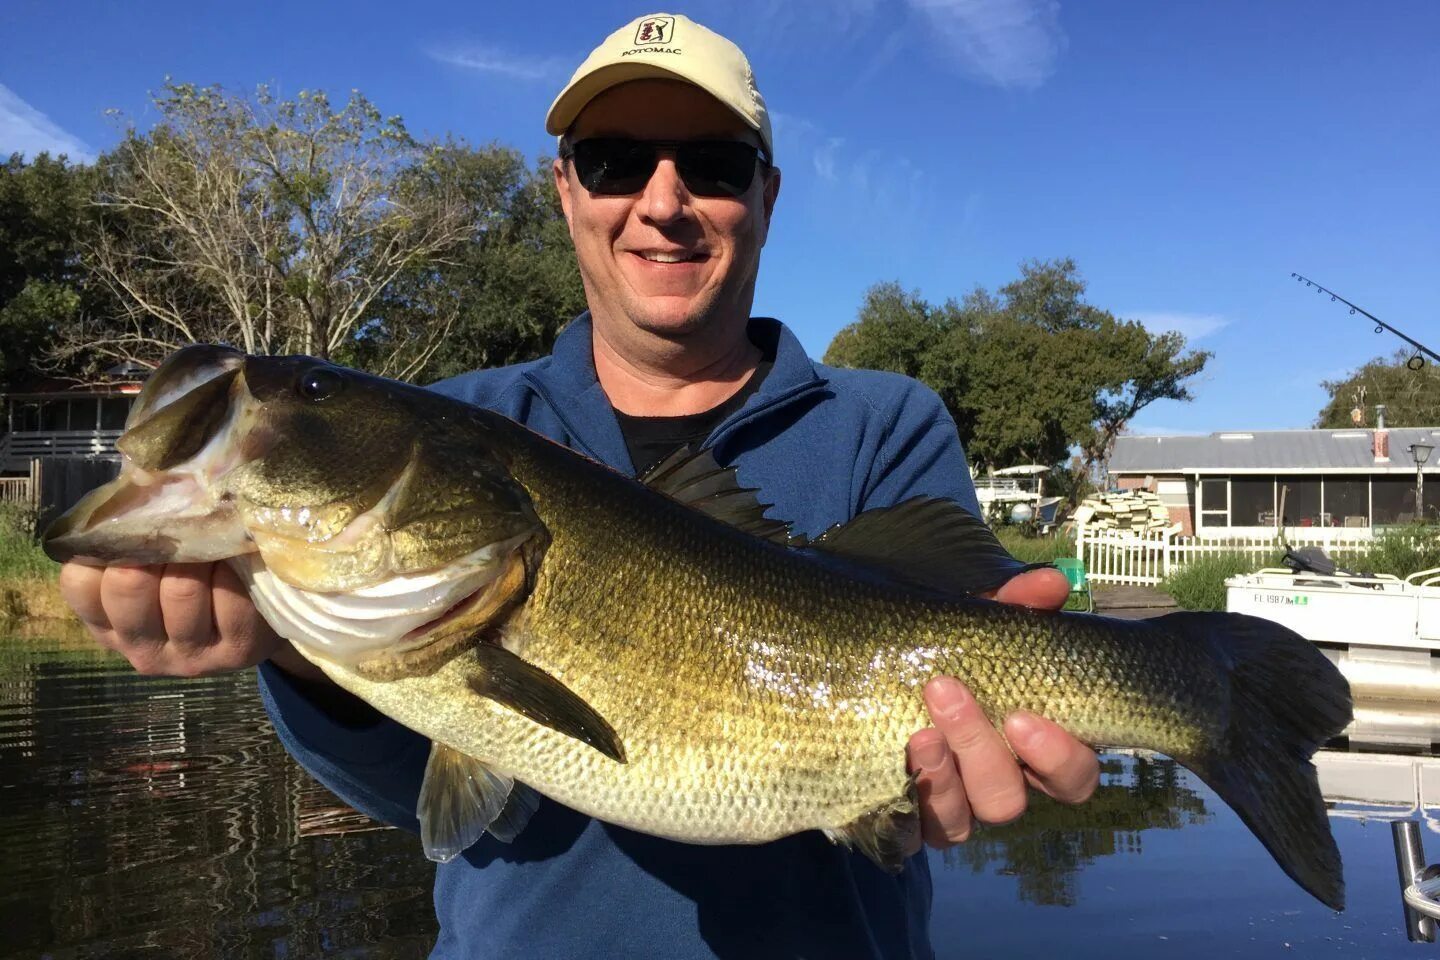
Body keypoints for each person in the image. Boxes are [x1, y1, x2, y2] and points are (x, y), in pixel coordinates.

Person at [58, 13, 1099, 959]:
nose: (662, 201)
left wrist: (965, 763)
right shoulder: (477, 414)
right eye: (612, 162)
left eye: (714, 163)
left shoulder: (885, 421)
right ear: (565, 191)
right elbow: (411, 798)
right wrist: (295, 654)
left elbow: (946, 768)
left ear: (767, 197)